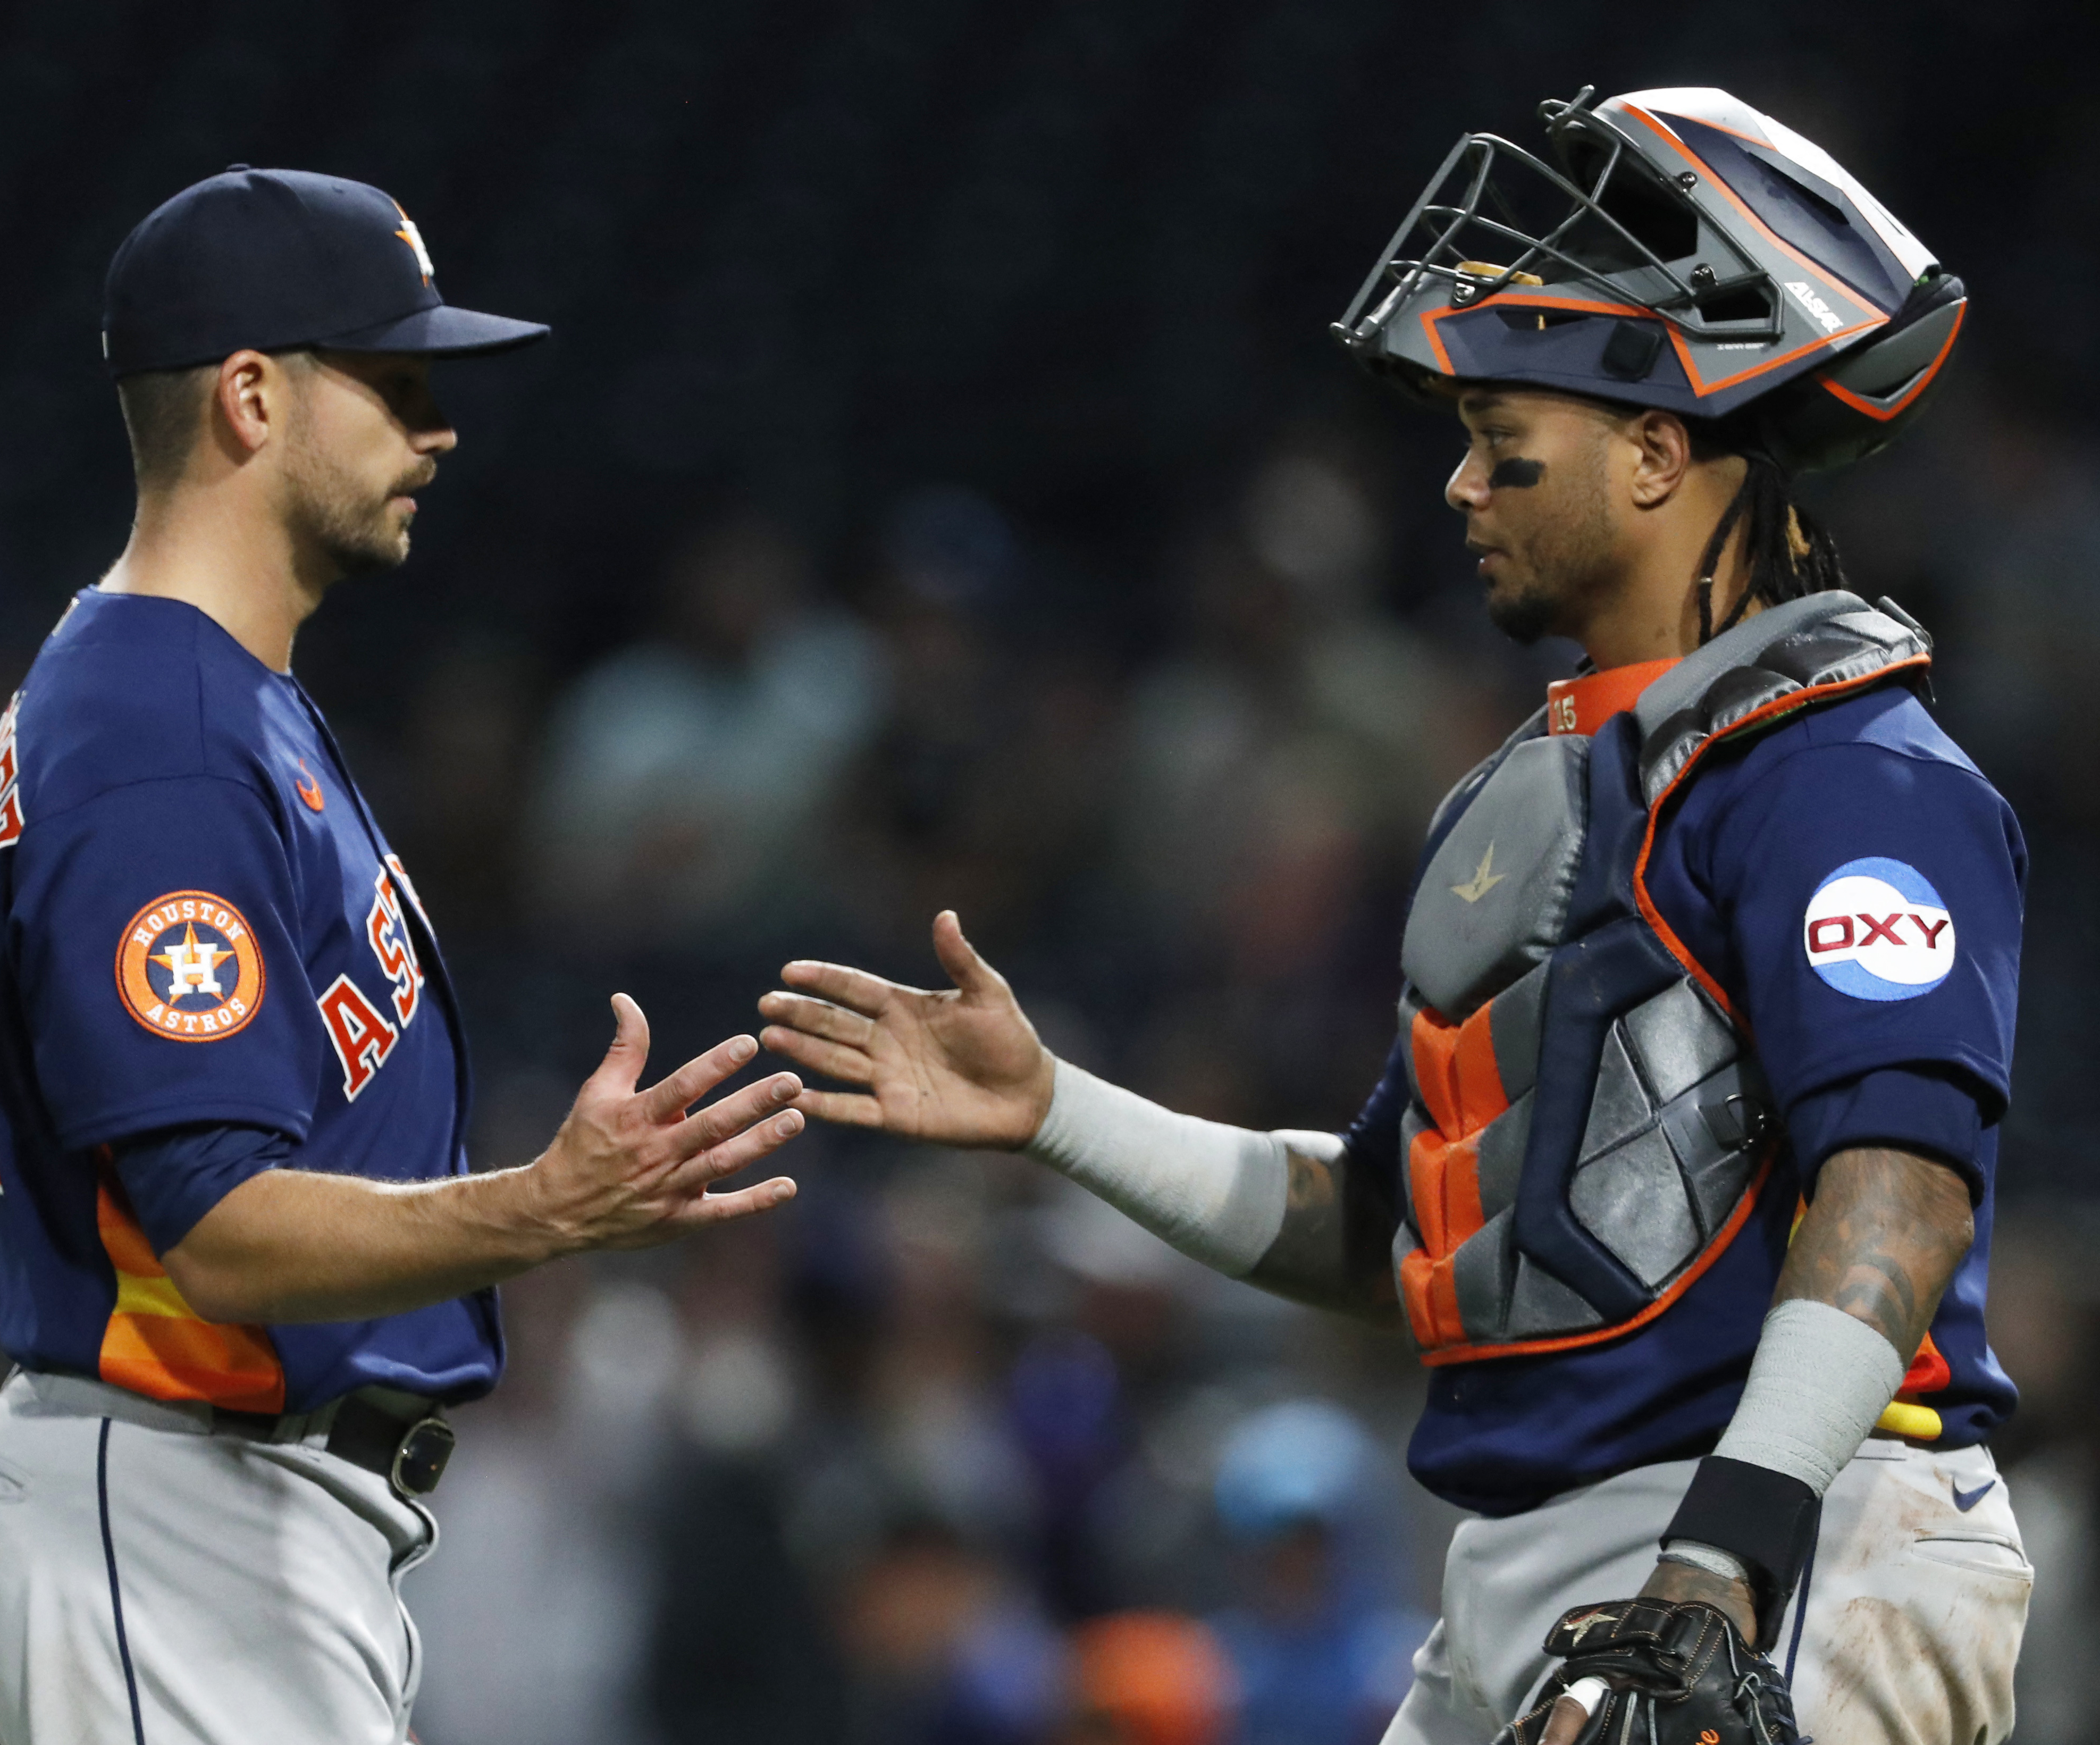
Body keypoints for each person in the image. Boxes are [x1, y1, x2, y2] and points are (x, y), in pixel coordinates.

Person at [760, 88, 2026, 1745]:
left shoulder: (1846, 766)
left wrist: (1730, 1550)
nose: (1458, 486)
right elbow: (1401, 1228)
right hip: (1526, 1566)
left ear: (1660, 452)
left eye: (1505, 442)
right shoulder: (1533, 795)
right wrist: (1055, 1109)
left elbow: (1903, 1191)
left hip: (1802, 1526)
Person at [0, 166, 807, 1745]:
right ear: (254, 398)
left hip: (239, 1511)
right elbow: (216, 1222)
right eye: (395, 383)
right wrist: (545, 1208)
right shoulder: (160, 739)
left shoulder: (212, 700)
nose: (438, 429)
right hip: (174, 1491)